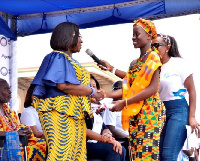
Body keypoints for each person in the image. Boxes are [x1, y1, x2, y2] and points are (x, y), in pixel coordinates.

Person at [31, 22, 104, 160]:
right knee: (61, 154)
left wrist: (93, 95)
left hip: (75, 114)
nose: (81, 40)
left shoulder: (70, 60)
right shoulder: (57, 56)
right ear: (68, 36)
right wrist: (92, 92)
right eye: (79, 36)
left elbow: (74, 89)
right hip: (58, 113)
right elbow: (64, 86)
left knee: (76, 155)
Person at [98, 18, 166, 160]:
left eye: (137, 34)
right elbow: (127, 87)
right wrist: (106, 94)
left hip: (150, 113)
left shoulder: (154, 58)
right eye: (133, 34)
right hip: (135, 113)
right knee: (136, 153)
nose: (133, 38)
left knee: (147, 154)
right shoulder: (134, 63)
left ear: (149, 36)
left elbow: (153, 89)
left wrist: (124, 103)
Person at [151, 34, 200, 161]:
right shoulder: (152, 66)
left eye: (156, 45)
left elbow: (192, 90)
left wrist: (192, 117)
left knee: (168, 155)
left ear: (167, 47)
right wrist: (113, 70)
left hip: (178, 110)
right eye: (151, 45)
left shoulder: (178, 63)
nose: (153, 48)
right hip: (160, 112)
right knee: (158, 155)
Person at [0, 78, 46, 160]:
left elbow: (16, 127)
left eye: (9, 89)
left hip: (15, 143)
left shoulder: (10, 112)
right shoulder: (28, 111)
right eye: (6, 89)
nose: (10, 92)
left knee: (48, 145)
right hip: (4, 147)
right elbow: (14, 131)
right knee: (32, 150)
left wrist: (25, 130)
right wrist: (16, 133)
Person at [87, 74, 126, 161]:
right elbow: (83, 130)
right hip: (84, 145)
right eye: (89, 86)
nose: (92, 89)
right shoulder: (81, 107)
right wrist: (103, 139)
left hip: (96, 143)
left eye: (94, 86)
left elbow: (105, 128)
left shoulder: (96, 109)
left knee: (120, 149)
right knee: (114, 150)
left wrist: (107, 135)